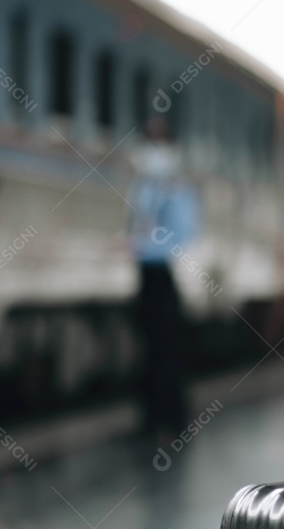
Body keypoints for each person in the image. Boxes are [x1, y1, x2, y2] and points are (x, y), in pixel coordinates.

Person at [128, 116, 200, 440]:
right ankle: (153, 416)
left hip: (162, 273)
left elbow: (183, 232)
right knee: (150, 348)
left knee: (166, 349)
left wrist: (144, 245)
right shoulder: (144, 185)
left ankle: (172, 419)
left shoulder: (176, 186)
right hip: (145, 275)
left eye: (158, 142)